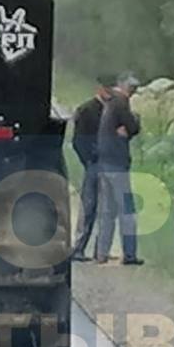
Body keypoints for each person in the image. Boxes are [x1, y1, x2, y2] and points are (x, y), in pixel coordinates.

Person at [95, 74, 144, 266]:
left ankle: (101, 253)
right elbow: (132, 127)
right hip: (117, 163)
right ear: (129, 89)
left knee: (107, 211)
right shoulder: (122, 103)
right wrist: (135, 120)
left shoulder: (109, 103)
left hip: (104, 162)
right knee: (127, 210)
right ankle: (130, 254)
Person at [71, 75, 113, 261]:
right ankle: (79, 248)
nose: (109, 93)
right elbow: (78, 140)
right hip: (94, 164)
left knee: (107, 208)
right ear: (100, 89)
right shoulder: (87, 110)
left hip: (109, 163)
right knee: (88, 207)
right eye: (107, 89)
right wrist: (88, 160)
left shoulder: (113, 110)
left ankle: (100, 251)